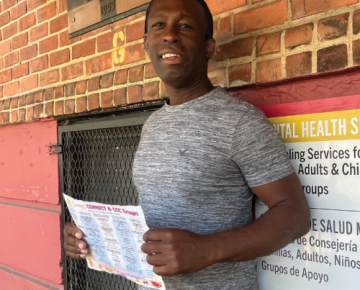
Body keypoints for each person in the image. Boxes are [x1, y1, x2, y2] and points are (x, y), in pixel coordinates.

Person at [63, 0, 310, 289]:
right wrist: (92, 236)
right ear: (146, 44)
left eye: (185, 26)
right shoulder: (152, 124)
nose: (169, 34)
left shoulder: (239, 122)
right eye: (159, 26)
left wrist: (207, 249)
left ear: (208, 47)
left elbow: (294, 213)